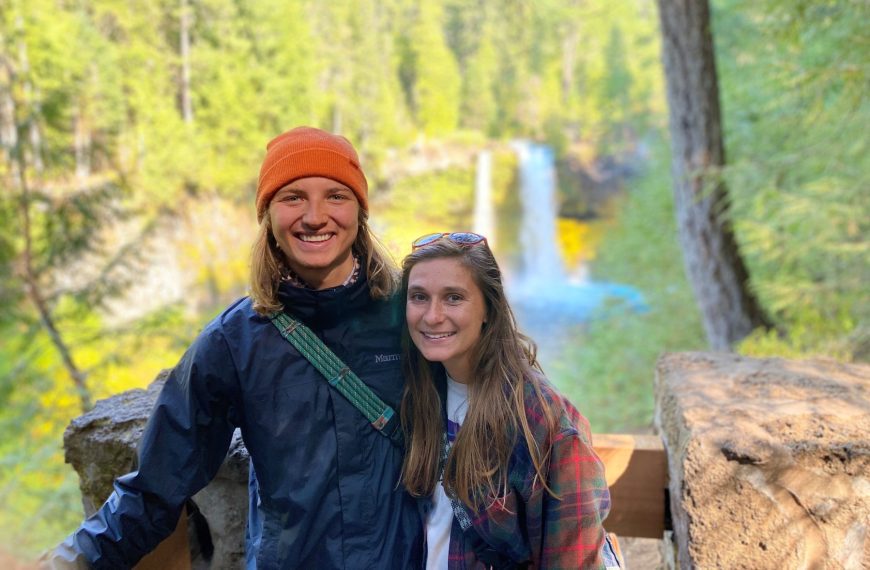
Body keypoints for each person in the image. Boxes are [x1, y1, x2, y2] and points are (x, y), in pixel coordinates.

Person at [47, 127, 423, 568]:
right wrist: (61, 562)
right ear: (268, 215)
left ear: (360, 211)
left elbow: (496, 410)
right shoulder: (234, 342)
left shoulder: (413, 317)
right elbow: (154, 490)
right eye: (293, 197)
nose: (316, 216)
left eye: (336, 196)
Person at [400, 232, 620, 569]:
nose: (432, 316)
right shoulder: (417, 392)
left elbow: (574, 559)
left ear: (489, 307)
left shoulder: (542, 422)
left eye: (454, 297)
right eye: (419, 297)